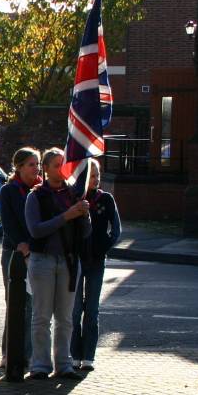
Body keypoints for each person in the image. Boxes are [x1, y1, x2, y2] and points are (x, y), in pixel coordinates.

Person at [24, 148, 91, 380]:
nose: (61, 170)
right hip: (42, 259)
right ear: (46, 168)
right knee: (41, 316)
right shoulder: (36, 196)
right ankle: (40, 365)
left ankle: (64, 364)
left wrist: (84, 215)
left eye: (64, 165)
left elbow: (85, 233)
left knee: (65, 317)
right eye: (56, 165)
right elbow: (36, 230)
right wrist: (67, 216)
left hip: (69, 261)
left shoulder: (74, 195)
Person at [70, 158, 122, 373]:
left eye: (97, 175)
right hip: (76, 261)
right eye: (91, 175)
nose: (96, 179)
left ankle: (89, 356)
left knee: (92, 310)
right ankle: (74, 354)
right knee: (74, 311)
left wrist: (105, 245)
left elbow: (116, 229)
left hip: (96, 261)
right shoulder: (74, 199)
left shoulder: (106, 199)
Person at [0, 147, 40, 377]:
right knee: (14, 302)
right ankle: (9, 353)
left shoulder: (41, 189)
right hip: (14, 253)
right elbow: (9, 222)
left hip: (37, 252)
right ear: (19, 167)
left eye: (37, 164)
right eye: (31, 164)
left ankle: (27, 354)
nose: (36, 169)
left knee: (32, 304)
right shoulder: (9, 190)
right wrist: (21, 245)